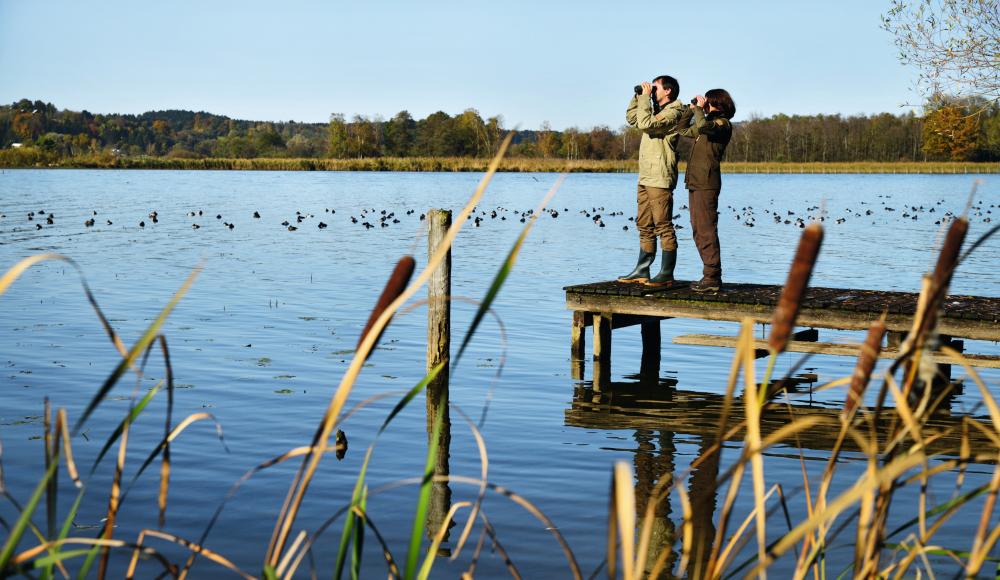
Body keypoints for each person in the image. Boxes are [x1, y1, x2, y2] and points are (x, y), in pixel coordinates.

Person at [619, 75, 686, 286]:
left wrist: (646, 100)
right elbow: (632, 119)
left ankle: (666, 274)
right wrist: (639, 96)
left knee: (663, 225)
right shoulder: (653, 108)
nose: (651, 91)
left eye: (654, 88)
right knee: (644, 225)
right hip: (645, 174)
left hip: (659, 176)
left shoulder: (675, 112)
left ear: (667, 91)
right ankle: (642, 270)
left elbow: (646, 124)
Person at [677, 88, 735, 293]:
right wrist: (691, 110)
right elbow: (683, 129)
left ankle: (712, 277)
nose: (705, 105)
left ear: (719, 104)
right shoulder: (707, 125)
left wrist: (700, 111)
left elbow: (702, 125)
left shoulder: (722, 125)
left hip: (707, 183)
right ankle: (709, 275)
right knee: (697, 229)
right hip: (696, 182)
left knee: (706, 229)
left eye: (709, 102)